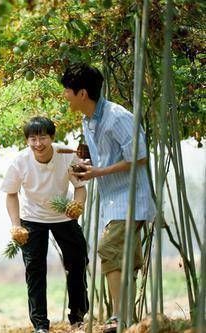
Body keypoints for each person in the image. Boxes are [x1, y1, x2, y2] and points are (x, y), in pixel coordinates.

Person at [60, 63, 156, 332]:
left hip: (130, 197)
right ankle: (128, 321)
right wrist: (85, 163)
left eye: (67, 90)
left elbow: (139, 157)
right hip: (111, 199)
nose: (65, 95)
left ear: (82, 93)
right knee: (124, 259)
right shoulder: (88, 119)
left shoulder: (117, 117)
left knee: (108, 250)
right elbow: (103, 154)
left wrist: (98, 171)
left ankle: (119, 317)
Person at [1, 116, 89, 333]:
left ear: (52, 137)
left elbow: (80, 187)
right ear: (27, 141)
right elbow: (11, 194)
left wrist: (77, 206)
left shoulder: (67, 156)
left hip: (63, 214)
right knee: (34, 269)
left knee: (78, 261)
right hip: (32, 218)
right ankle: (40, 324)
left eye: (42, 137)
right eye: (33, 139)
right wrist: (16, 225)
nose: (38, 144)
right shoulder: (19, 162)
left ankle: (77, 317)